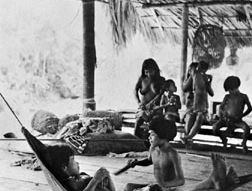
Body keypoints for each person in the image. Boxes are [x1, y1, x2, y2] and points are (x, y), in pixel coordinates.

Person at [124, 117, 185, 191]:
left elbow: (181, 180)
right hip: (156, 187)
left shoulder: (172, 154)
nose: (149, 137)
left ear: (162, 135)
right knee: (128, 187)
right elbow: (150, 161)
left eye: (152, 135)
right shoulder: (154, 149)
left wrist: (162, 186)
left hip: (168, 189)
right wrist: (137, 163)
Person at [45, 144, 116, 191]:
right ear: (64, 168)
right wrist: (95, 180)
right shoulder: (69, 184)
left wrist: (107, 175)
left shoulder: (75, 178)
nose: (77, 163)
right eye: (73, 160)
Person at [213, 76, 252, 152]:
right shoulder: (227, 97)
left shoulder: (243, 96)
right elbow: (221, 107)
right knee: (215, 128)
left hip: (238, 121)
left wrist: (241, 115)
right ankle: (224, 139)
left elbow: (250, 108)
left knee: (247, 128)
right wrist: (223, 115)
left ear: (236, 87)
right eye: (229, 91)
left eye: (231, 90)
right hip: (226, 120)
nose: (230, 92)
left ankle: (243, 143)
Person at [181, 61, 214, 145]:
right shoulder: (188, 82)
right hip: (190, 110)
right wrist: (192, 75)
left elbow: (211, 93)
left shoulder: (203, 80)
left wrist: (208, 82)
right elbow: (184, 88)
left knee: (200, 116)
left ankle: (188, 137)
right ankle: (187, 139)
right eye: (191, 70)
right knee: (190, 117)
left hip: (202, 110)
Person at [134, 58, 165, 138]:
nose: (149, 74)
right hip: (143, 108)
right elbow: (135, 90)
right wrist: (138, 102)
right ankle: (136, 141)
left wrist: (150, 104)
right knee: (138, 122)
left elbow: (160, 95)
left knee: (155, 124)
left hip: (156, 109)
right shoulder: (142, 79)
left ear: (155, 70)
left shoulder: (161, 80)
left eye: (151, 71)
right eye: (146, 72)